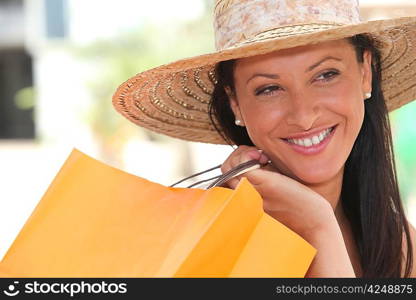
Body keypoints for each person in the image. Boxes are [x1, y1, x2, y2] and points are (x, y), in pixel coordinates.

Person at [112, 0, 416, 277]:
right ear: (235, 103)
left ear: (365, 73)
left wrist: (319, 224)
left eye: (326, 75)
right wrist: (318, 227)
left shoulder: (401, 245)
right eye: (269, 89)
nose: (303, 115)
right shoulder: (217, 248)